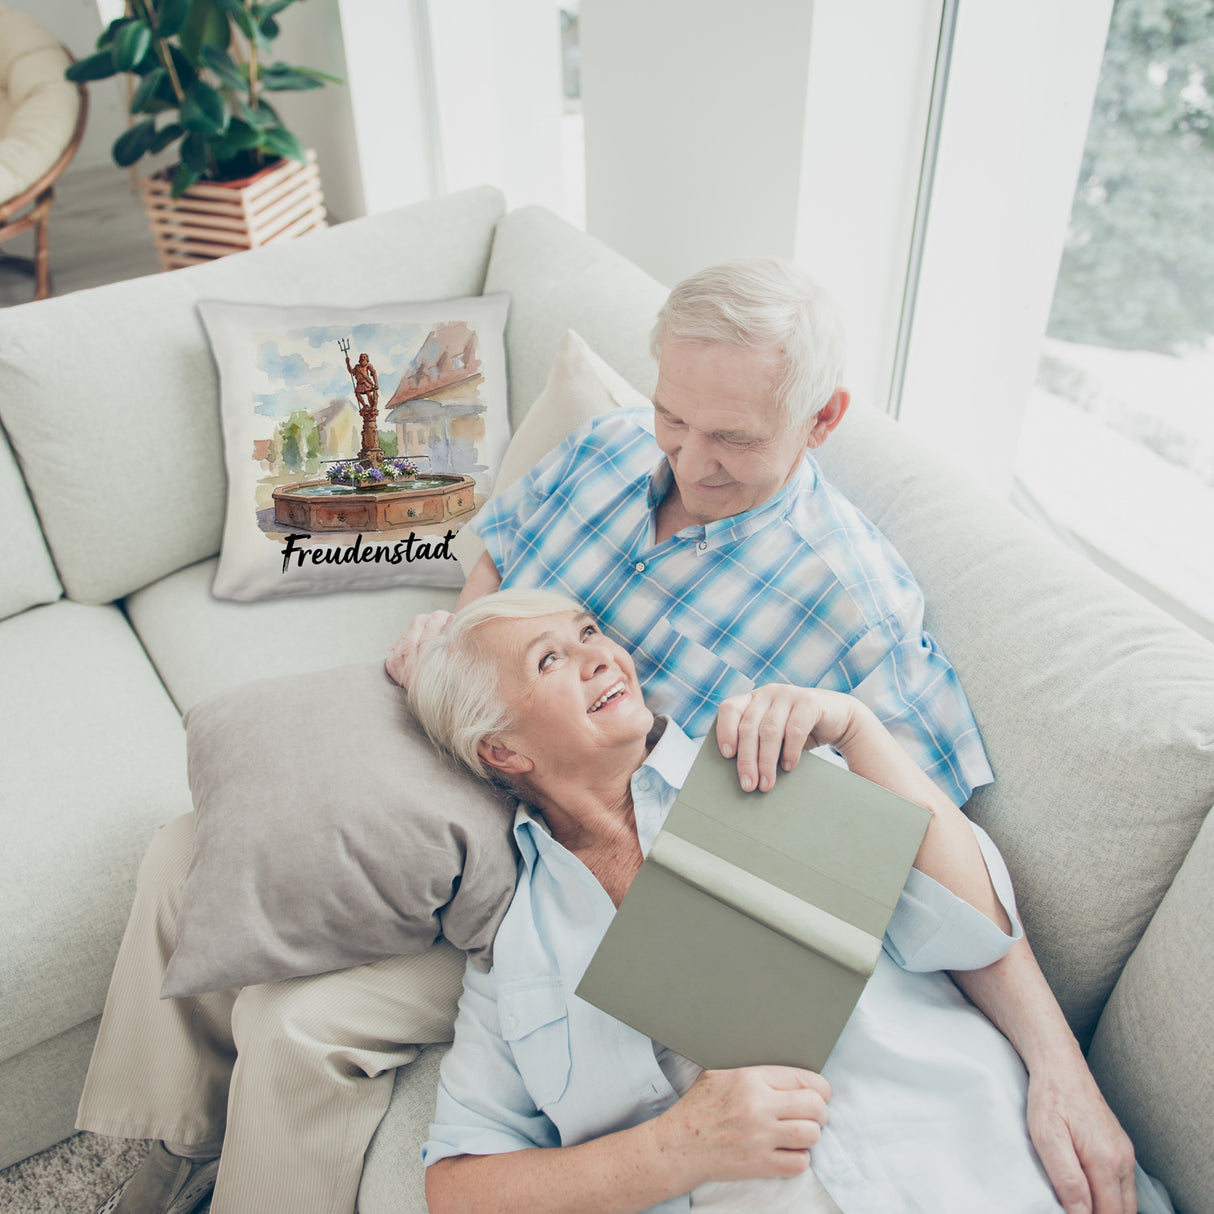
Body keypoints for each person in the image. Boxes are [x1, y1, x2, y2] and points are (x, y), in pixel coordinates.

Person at [79, 260, 1131, 1214]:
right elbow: (498, 556)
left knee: (300, 1024)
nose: (687, 457)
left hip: (578, 853)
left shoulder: (853, 607)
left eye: (732, 438)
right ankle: (158, 1149)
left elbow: (927, 855)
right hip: (488, 746)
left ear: (820, 420)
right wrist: (459, 642)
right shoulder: (609, 447)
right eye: (675, 416)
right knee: (192, 846)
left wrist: (1057, 1063)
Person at [407, 589, 1162, 1214]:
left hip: (984, 1168)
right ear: (502, 750)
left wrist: (858, 731)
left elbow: (973, 929)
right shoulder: (516, 951)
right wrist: (673, 1150)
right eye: (551, 659)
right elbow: (458, 1187)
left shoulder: (762, 762)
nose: (601, 654)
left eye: (589, 632)